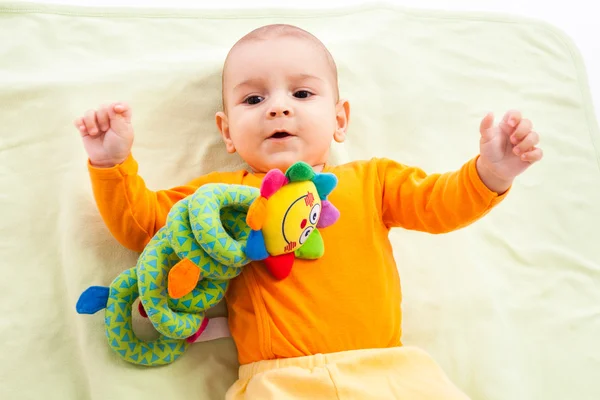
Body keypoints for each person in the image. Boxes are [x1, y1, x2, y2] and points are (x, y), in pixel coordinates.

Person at [74, 24, 542, 399]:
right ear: (227, 132)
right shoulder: (219, 198)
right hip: (278, 381)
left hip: (385, 372)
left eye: (301, 94)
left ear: (340, 119)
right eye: (253, 99)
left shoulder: (372, 181)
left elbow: (439, 204)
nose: (278, 109)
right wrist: (111, 164)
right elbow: (144, 228)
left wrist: (490, 173)